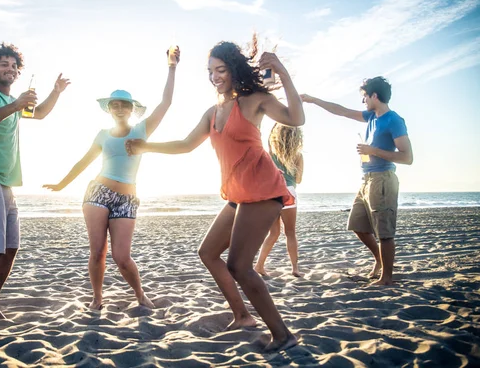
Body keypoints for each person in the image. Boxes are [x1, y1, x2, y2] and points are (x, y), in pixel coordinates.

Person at [125, 39, 304, 351]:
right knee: (208, 252)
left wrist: (283, 73)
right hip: (237, 194)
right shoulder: (213, 112)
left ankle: (283, 335)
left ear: (233, 70)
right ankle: (243, 316)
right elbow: (185, 144)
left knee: (239, 266)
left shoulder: (254, 100)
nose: (214, 76)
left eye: (220, 70)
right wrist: (145, 146)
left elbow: (296, 118)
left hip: (262, 191)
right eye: (210, 71)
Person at [43, 47, 180, 310]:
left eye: (123, 105)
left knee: (122, 256)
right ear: (109, 109)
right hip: (98, 193)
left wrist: (171, 68)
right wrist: (62, 184)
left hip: (127, 198)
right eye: (114, 105)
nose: (118, 108)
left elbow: (166, 103)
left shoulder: (142, 130)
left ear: (131, 109)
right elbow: (83, 161)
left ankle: (140, 295)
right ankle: (97, 298)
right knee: (97, 251)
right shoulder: (103, 134)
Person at [0, 42, 71, 330]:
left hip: (4, 184)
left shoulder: (12, 106)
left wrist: (55, 92)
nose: (10, 69)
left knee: (9, 248)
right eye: (3, 64)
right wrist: (15, 105)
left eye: (14, 66)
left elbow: (40, 113)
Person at [301, 76, 413, 286]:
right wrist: (314, 100)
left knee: (384, 233)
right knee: (358, 225)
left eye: (364, 97)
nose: (363, 102)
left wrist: (373, 151)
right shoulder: (372, 117)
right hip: (366, 180)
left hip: (383, 180)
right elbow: (341, 111)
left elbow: (407, 157)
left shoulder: (394, 120)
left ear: (374, 96)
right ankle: (379, 260)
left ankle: (386, 278)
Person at [255, 124, 304, 277]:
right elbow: (299, 179)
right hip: (288, 192)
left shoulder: (269, 153)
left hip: (271, 192)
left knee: (274, 233)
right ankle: (295, 269)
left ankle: (259, 265)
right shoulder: (298, 155)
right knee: (290, 233)